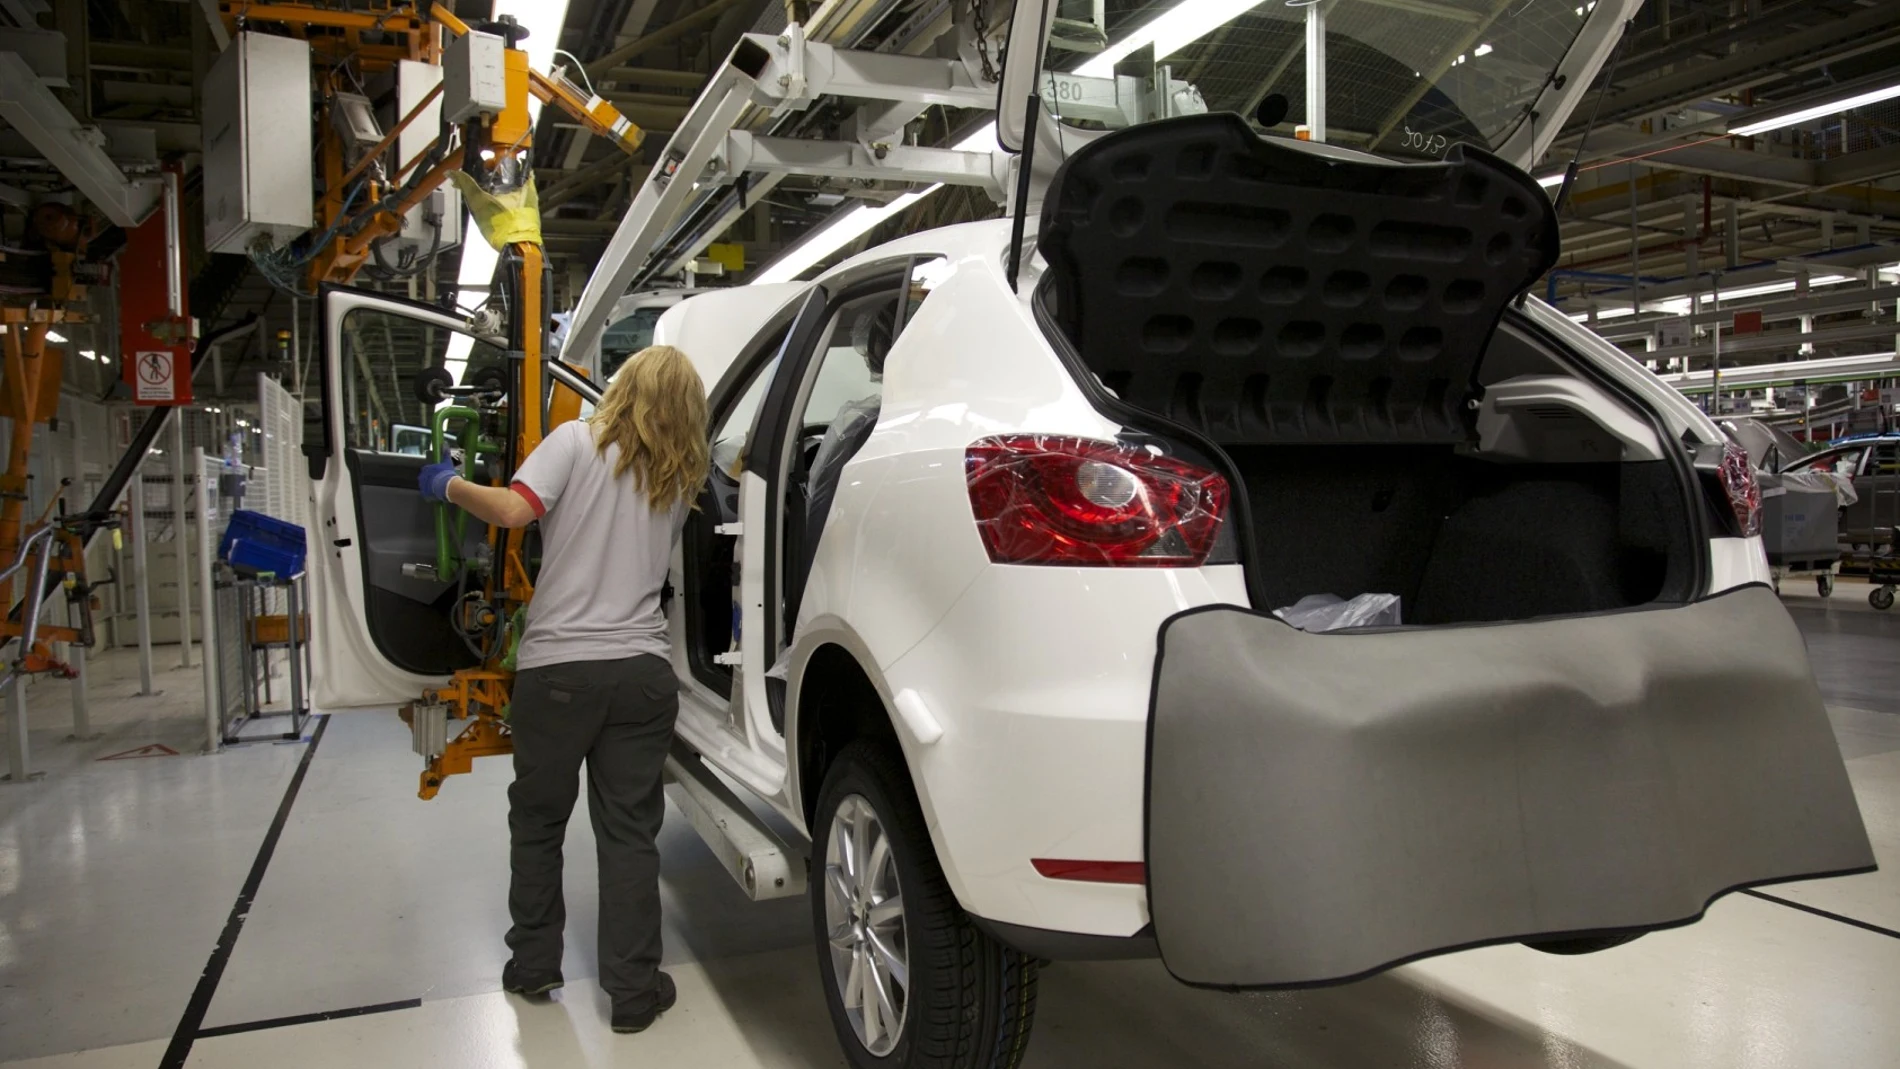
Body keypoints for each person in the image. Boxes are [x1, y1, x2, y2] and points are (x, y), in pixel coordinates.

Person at [417, 344, 708, 1034]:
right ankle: (634, 993)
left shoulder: (576, 441)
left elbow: (512, 513)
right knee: (631, 835)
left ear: (626, 387)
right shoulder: (681, 475)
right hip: (641, 675)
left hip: (559, 674)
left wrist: (446, 485)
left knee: (540, 821)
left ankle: (535, 965)